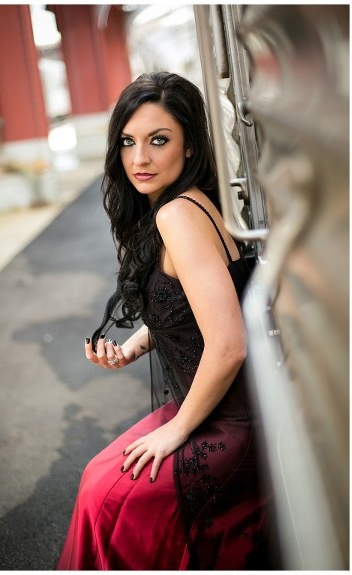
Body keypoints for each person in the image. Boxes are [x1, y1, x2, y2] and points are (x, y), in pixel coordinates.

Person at [57, 72, 270, 569]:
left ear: (189, 145)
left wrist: (176, 431)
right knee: (97, 481)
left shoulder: (177, 217)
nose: (139, 159)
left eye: (158, 140)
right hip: (217, 405)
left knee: (103, 498)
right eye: (127, 142)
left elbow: (229, 344)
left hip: (227, 420)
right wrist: (131, 347)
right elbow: (194, 306)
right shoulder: (193, 202)